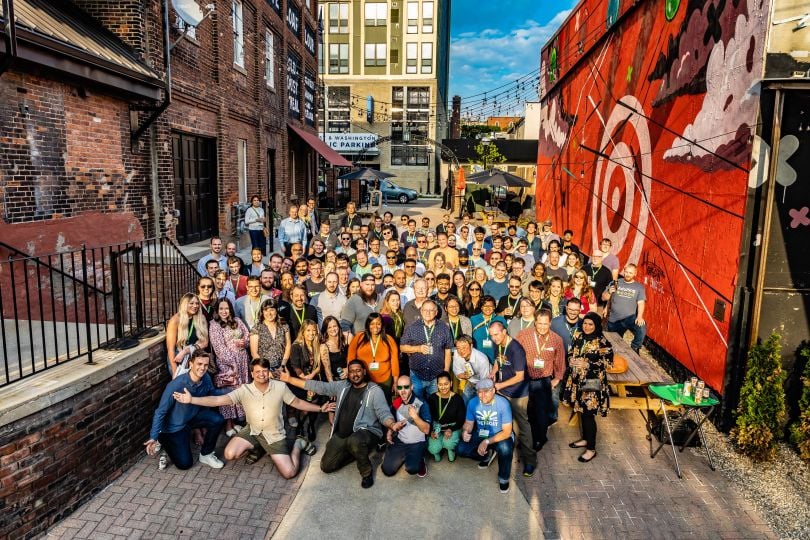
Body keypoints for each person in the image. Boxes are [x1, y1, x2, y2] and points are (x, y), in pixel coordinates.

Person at [171, 358, 331, 475]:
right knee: (229, 454)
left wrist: (320, 408)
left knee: (289, 473)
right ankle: (258, 447)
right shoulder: (244, 390)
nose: (261, 374)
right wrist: (192, 399)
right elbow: (218, 400)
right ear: (252, 374)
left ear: (269, 372)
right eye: (258, 371)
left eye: (264, 371)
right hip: (253, 431)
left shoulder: (280, 387)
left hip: (274, 436)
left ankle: (298, 445)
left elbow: (298, 403)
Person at [280, 360, 399, 488]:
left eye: (358, 370)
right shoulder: (343, 386)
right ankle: (357, 452)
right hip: (343, 434)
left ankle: (366, 472)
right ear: (348, 373)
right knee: (327, 466)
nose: (355, 374)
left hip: (366, 432)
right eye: (352, 371)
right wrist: (289, 379)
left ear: (364, 371)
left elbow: (383, 413)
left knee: (355, 441)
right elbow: (318, 386)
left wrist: (392, 425)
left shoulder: (375, 391)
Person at [144, 350, 225, 471]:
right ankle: (164, 441)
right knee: (184, 464)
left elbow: (212, 395)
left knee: (217, 420)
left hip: (191, 418)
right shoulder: (176, 385)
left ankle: (206, 454)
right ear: (191, 364)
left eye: (206, 365)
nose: (202, 368)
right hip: (175, 426)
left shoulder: (206, 378)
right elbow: (160, 412)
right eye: (199, 364)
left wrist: (234, 391)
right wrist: (153, 436)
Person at [562, 312, 613, 462]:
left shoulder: (602, 341)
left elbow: (608, 364)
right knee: (581, 411)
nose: (587, 326)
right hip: (577, 380)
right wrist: (571, 359)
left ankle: (591, 449)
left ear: (596, 325)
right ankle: (585, 439)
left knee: (588, 415)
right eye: (585, 323)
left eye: (591, 324)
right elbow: (571, 352)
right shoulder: (579, 336)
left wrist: (588, 364)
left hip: (592, 383)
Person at [488, 321, 535, 477]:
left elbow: (520, 376)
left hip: (517, 393)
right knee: (506, 423)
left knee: (522, 426)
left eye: (496, 334)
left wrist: (499, 386)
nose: (493, 338)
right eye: (492, 335)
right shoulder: (497, 343)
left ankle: (529, 461)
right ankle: (508, 452)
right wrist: (493, 372)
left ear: (505, 331)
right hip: (503, 390)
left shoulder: (516, 349)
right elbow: (497, 360)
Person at [516, 310, 566, 452]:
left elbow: (560, 362)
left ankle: (539, 438)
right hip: (525, 380)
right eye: (540, 323)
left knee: (541, 413)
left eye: (546, 323)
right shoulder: (524, 335)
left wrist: (556, 379)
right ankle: (527, 439)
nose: (543, 326)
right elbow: (514, 353)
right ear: (535, 321)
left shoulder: (557, 339)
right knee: (526, 412)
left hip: (543, 381)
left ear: (550, 323)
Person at [458, 379, 514, 494]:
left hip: (500, 435)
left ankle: (503, 478)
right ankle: (486, 455)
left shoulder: (503, 403)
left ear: (493, 390)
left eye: (486, 391)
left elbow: (507, 432)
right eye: (479, 392)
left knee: (505, 449)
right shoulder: (473, 402)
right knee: (461, 449)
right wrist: (465, 431)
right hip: (481, 433)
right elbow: (469, 423)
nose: (482, 395)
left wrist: (487, 442)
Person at [208, 298, 251, 437]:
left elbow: (247, 335)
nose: (224, 311)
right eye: (221, 309)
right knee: (228, 392)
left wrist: (244, 342)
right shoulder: (214, 325)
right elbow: (219, 348)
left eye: (226, 308)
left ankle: (237, 421)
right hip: (228, 364)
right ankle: (228, 425)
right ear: (217, 310)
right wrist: (233, 363)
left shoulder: (237, 321)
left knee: (240, 391)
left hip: (243, 362)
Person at [400, 300, 453, 402]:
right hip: (417, 375)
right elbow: (402, 347)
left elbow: (447, 351)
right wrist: (418, 348)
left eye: (431, 310)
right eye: (425, 310)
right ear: (421, 311)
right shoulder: (412, 327)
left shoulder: (444, 328)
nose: (428, 313)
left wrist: (445, 372)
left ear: (436, 312)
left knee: (435, 403)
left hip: (436, 375)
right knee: (416, 403)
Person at [381, 375, 431, 478]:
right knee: (387, 470)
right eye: (399, 387)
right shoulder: (396, 402)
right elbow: (392, 419)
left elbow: (427, 430)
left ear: (412, 387)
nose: (402, 391)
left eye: (406, 387)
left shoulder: (421, 402)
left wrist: (416, 417)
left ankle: (419, 458)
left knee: (412, 469)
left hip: (417, 442)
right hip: (401, 441)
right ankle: (405, 456)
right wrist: (390, 431)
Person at [348, 313, 400, 401]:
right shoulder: (359, 337)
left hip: (385, 381)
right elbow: (351, 358)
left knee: (383, 405)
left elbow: (394, 362)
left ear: (382, 325)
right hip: (364, 380)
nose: (375, 326)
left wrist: (395, 382)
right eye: (372, 323)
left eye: (378, 323)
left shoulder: (389, 340)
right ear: (368, 325)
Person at [288, 320, 325, 441]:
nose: (311, 333)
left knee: (313, 403)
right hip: (300, 382)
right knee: (304, 408)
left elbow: (319, 367)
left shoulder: (317, 344)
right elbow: (297, 369)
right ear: (302, 332)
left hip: (313, 379)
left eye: (314, 330)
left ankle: (310, 426)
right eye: (308, 330)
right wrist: (308, 384)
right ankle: (300, 424)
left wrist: (312, 378)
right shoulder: (296, 346)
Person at [604, 264, 647, 353]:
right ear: (624, 271)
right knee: (614, 345)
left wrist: (639, 316)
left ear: (635, 273)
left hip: (629, 318)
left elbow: (641, 303)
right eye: (626, 272)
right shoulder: (616, 282)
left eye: (630, 273)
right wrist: (607, 304)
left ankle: (635, 348)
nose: (627, 274)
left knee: (641, 327)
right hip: (614, 318)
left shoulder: (639, 287)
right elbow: (607, 297)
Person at [425, 371, 466, 463]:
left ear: (451, 383)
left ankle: (450, 450)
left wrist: (451, 429)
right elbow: (428, 416)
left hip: (453, 426)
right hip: (437, 427)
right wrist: (431, 431)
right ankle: (437, 451)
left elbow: (461, 419)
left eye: (446, 384)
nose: (443, 387)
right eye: (440, 384)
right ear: (437, 385)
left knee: (449, 443)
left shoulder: (457, 399)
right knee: (433, 448)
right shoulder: (432, 398)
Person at [165, 293, 210, 378]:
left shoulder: (201, 318)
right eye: (191, 303)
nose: (195, 306)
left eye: (197, 303)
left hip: (195, 356)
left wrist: (186, 351)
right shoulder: (175, 320)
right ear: (185, 304)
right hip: (178, 357)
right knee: (181, 384)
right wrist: (175, 371)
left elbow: (205, 342)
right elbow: (170, 349)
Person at [250, 298, 290, 370]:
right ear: (262, 312)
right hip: (262, 368)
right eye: (266, 310)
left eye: (272, 310)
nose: (269, 313)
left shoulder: (284, 326)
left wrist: (282, 366)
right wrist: (265, 370)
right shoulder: (256, 328)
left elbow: (288, 347)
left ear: (276, 311)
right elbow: (254, 353)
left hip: (281, 367)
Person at [452, 335, 494, 405]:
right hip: (471, 383)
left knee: (480, 405)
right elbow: (457, 371)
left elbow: (485, 382)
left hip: (484, 383)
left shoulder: (482, 359)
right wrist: (464, 375)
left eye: (464, 347)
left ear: (471, 346)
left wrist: (480, 393)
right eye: (458, 348)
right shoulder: (456, 353)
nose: (461, 351)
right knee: (464, 404)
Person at [470, 296, 506, 364]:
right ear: (481, 307)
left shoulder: (501, 320)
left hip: (495, 358)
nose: (488, 308)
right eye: (485, 306)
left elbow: (505, 339)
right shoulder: (473, 319)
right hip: (477, 358)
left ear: (494, 307)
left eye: (490, 306)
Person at [321, 316, 348, 382]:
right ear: (326, 330)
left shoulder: (347, 337)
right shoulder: (324, 346)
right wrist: (332, 386)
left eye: (335, 326)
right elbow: (327, 369)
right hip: (335, 379)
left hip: (349, 375)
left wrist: (348, 369)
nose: (333, 329)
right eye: (329, 327)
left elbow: (354, 357)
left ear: (338, 326)